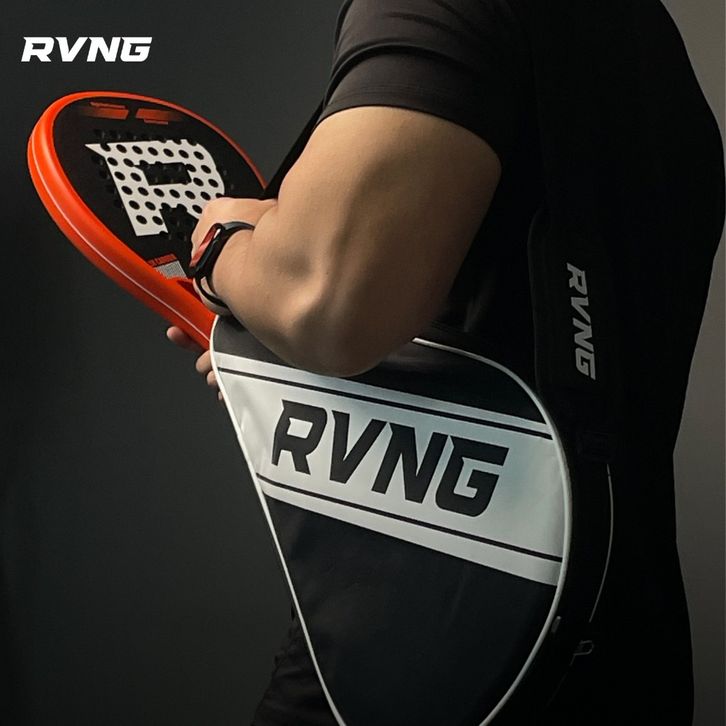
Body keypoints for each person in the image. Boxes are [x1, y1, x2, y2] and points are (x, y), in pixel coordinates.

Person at [167, 0, 725, 723]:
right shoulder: (647, 40)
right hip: (621, 658)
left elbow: (326, 300)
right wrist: (267, 363)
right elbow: (521, 338)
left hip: (422, 653)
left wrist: (219, 243)